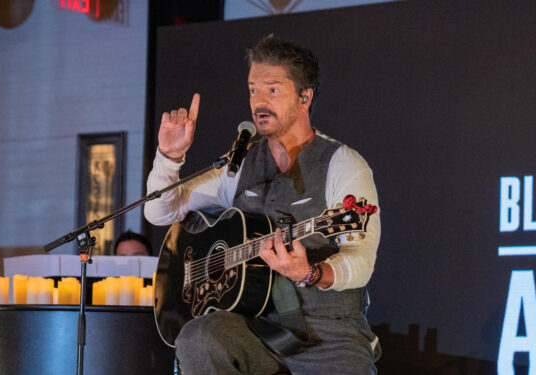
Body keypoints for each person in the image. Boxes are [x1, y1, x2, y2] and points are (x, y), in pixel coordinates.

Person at [144, 34, 381, 374]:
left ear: (304, 96)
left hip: (328, 334)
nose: (259, 101)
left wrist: (311, 273)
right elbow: (160, 211)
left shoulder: (343, 163)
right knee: (198, 336)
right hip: (254, 326)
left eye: (272, 89)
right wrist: (170, 157)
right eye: (253, 89)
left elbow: (362, 260)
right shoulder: (239, 164)